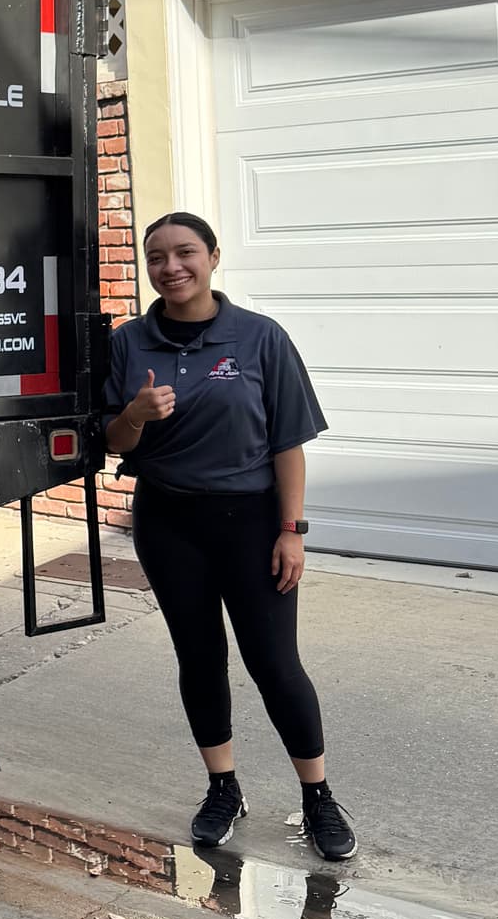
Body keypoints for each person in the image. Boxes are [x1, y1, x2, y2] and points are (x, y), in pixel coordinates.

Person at [104, 210, 356, 863]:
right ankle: (223, 788)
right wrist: (133, 415)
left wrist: (291, 531)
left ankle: (318, 797)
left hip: (251, 522)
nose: (171, 267)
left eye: (185, 252)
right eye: (156, 256)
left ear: (214, 257)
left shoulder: (259, 338)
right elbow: (112, 442)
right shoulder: (130, 343)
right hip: (167, 522)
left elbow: (289, 444)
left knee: (274, 663)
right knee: (200, 657)